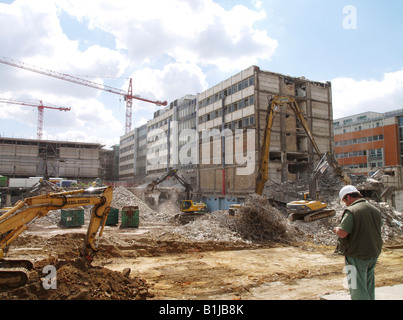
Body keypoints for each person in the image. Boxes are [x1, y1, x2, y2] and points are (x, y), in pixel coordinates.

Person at [333, 185, 383, 300]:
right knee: (368, 285)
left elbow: (343, 233)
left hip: (356, 255)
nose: (345, 204)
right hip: (373, 253)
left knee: (356, 288)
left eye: (345, 201)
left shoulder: (352, 210)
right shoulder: (374, 210)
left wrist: (335, 229)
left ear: (349, 197)